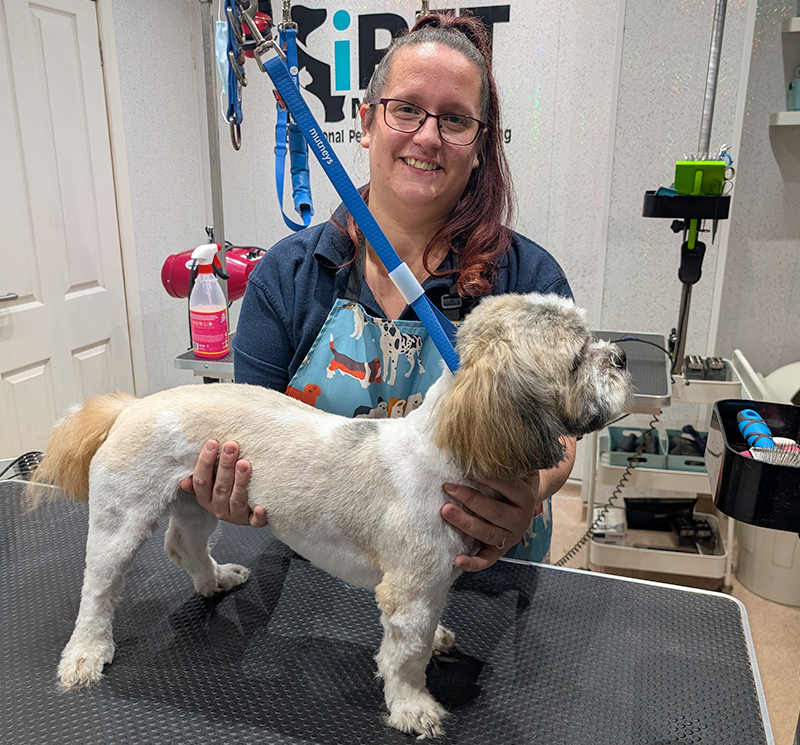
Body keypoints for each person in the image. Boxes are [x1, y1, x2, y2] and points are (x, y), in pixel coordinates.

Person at [179, 11, 576, 570]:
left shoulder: (527, 281)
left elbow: (560, 439)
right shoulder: (288, 276)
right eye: (406, 109)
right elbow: (254, 428)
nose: (428, 137)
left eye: (455, 120)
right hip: (326, 563)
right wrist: (237, 486)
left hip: (483, 566)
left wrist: (530, 490)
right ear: (366, 122)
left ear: (480, 145)